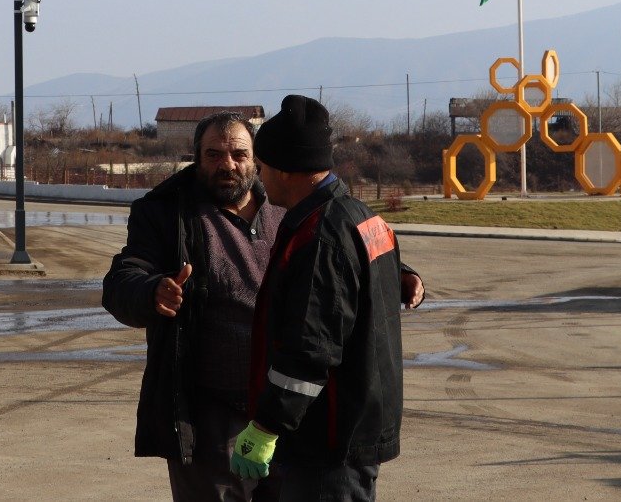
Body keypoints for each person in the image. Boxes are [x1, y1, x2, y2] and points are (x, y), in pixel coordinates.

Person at [104, 110, 422, 502]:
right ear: (196, 157)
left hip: (291, 410)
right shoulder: (167, 212)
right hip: (213, 414)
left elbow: (334, 258)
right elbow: (122, 279)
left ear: (258, 158)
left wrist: (400, 274)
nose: (228, 165)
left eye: (239, 154)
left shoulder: (288, 200)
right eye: (214, 155)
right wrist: (152, 291)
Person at [229, 95, 407, 501]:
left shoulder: (319, 236)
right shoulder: (359, 216)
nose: (259, 176)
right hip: (350, 430)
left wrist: (267, 426)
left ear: (287, 170)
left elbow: (310, 350)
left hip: (324, 443)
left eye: (263, 166)